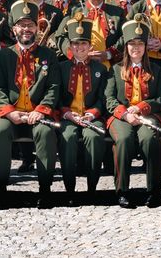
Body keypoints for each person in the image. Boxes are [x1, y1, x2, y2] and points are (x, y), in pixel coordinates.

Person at [0, 0, 60, 209]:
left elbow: (53, 87)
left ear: (37, 28)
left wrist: (41, 110)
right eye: (21, 25)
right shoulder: (3, 56)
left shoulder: (49, 54)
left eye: (30, 25)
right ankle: (1, 190)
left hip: (38, 114)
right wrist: (9, 112)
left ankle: (45, 190)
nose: (26, 29)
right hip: (11, 113)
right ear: (14, 30)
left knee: (45, 133)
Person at [106, 15, 161, 208]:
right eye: (131, 44)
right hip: (121, 116)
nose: (136, 48)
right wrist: (125, 114)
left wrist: (141, 108)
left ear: (145, 47)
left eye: (140, 44)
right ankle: (122, 191)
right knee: (123, 140)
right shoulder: (115, 70)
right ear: (126, 46)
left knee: (149, 140)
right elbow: (109, 98)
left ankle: (154, 190)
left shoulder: (157, 70)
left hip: (148, 116)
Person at [55, 14, 113, 205]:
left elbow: (103, 99)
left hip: (91, 116)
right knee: (68, 137)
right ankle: (69, 189)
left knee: (94, 137)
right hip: (67, 115)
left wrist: (92, 114)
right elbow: (56, 97)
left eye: (84, 44)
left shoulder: (101, 69)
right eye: (76, 44)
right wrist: (67, 113)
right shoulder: (61, 68)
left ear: (90, 47)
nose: (80, 48)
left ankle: (91, 188)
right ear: (70, 47)